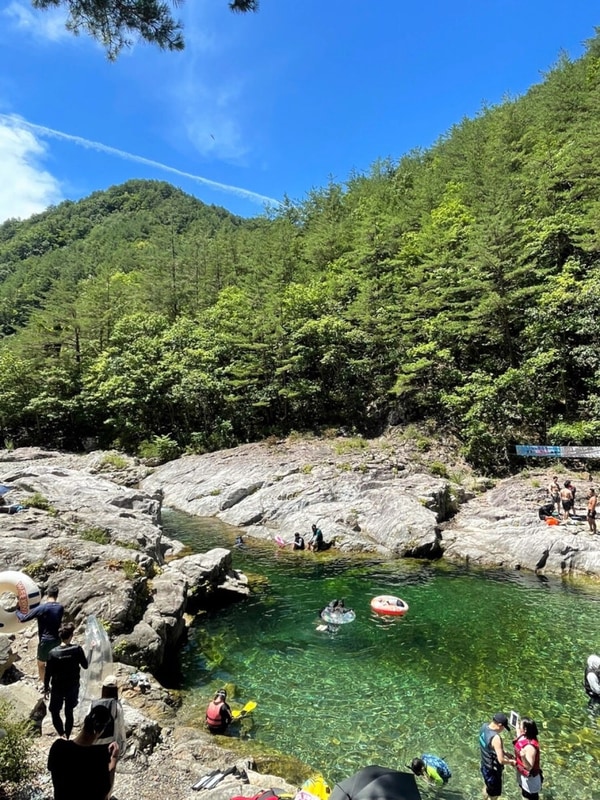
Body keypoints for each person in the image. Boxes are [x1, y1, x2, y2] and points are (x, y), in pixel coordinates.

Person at [48, 703, 119, 800]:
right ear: (101, 732)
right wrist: (114, 759)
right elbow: (105, 793)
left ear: (85, 720)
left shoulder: (58, 747)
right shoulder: (98, 756)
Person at [44, 622, 89, 739]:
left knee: (54, 712)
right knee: (69, 712)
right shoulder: (77, 649)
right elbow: (85, 665)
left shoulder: (53, 653)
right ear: (71, 636)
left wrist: (46, 688)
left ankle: (61, 734)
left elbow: (47, 673)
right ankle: (68, 736)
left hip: (57, 687)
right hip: (73, 686)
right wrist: (91, 651)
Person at [16, 584, 64, 683]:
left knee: (41, 665)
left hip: (45, 641)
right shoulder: (60, 607)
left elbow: (23, 618)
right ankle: (56, 682)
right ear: (57, 595)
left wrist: (17, 610)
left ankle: (45, 686)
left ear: (47, 595)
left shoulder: (42, 608)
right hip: (57, 640)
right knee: (55, 662)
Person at [90, 675, 127, 800]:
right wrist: (122, 746)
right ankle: (106, 796)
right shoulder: (117, 706)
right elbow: (121, 728)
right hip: (110, 746)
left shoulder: (94, 704)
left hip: (94, 745)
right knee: (109, 772)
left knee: (95, 772)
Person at [479, 712, 516, 798]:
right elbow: (501, 760)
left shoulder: (484, 727)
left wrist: (505, 753)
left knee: (488, 786)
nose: (502, 730)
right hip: (493, 770)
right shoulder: (496, 738)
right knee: (494, 795)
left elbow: (489, 746)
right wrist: (511, 762)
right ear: (499, 725)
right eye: (503, 727)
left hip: (484, 765)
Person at [513, 717, 542, 800]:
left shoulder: (530, 747)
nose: (519, 726)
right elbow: (519, 736)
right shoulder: (525, 736)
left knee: (528, 797)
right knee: (524, 794)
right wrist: (517, 727)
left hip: (530, 781)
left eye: (520, 725)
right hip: (523, 775)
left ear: (525, 729)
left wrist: (523, 757)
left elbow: (529, 767)